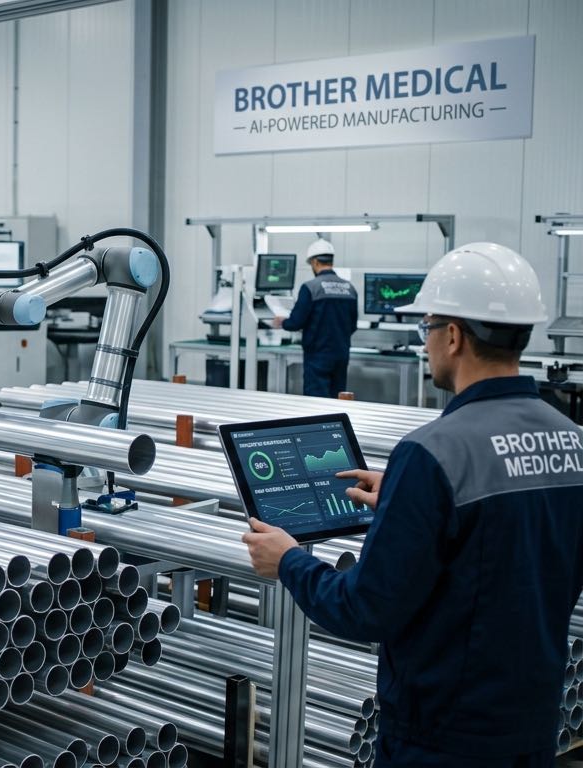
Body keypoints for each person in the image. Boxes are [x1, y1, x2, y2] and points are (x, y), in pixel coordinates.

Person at [243, 242, 583, 767]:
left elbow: (364, 608)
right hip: (532, 724)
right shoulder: (572, 441)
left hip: (442, 736)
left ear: (454, 336)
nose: (426, 343)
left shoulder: (433, 453)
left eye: (427, 328)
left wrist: (288, 561)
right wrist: (411, 500)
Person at [273, 239, 358, 397]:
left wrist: (283, 322)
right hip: (341, 354)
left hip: (318, 355)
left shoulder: (310, 288)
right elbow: (353, 325)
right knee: (337, 398)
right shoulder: (349, 288)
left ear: (314, 262)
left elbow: (296, 322)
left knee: (315, 401)